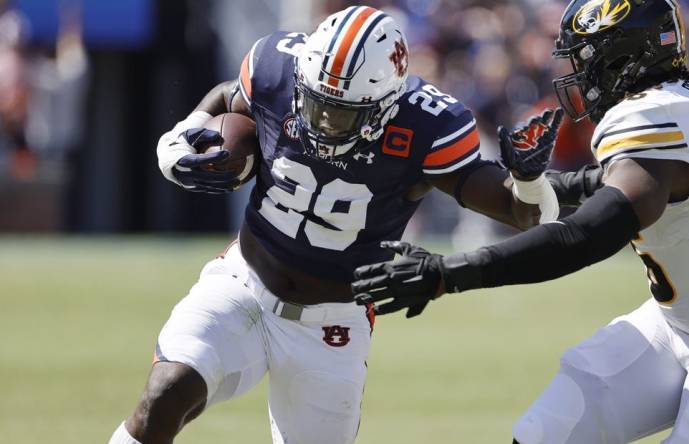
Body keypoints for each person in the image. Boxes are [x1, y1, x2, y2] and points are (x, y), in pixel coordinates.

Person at [108, 6, 600, 444]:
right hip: (243, 282)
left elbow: (524, 214)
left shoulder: (428, 125)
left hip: (332, 324)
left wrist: (529, 179)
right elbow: (229, 98)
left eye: (340, 113)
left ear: (385, 104)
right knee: (164, 394)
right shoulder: (279, 66)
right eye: (316, 102)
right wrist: (177, 137)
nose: (321, 121)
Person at [352, 1, 689, 443]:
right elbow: (616, 181)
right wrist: (532, 184)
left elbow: (589, 234)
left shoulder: (657, 120)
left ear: (626, 58)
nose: (581, 78)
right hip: (682, 323)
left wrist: (450, 273)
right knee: (547, 432)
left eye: (589, 61)